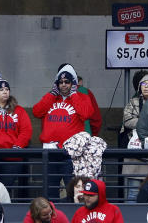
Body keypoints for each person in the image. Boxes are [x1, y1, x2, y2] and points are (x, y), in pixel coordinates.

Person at [32, 64, 93, 196]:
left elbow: (86, 114)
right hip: (50, 151)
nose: (64, 85)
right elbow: (36, 112)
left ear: (73, 83)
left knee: (72, 191)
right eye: (60, 82)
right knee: (50, 191)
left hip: (71, 153)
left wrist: (74, 95)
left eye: (67, 82)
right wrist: (52, 94)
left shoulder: (82, 97)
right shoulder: (51, 98)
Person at [122, 72, 148, 198]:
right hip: (136, 152)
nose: (145, 86)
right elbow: (127, 121)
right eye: (143, 83)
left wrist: (141, 121)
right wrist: (146, 122)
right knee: (133, 192)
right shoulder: (133, 102)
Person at [73, 71, 104, 136]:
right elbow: (96, 119)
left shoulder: (53, 95)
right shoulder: (86, 92)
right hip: (84, 135)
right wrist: (94, 134)